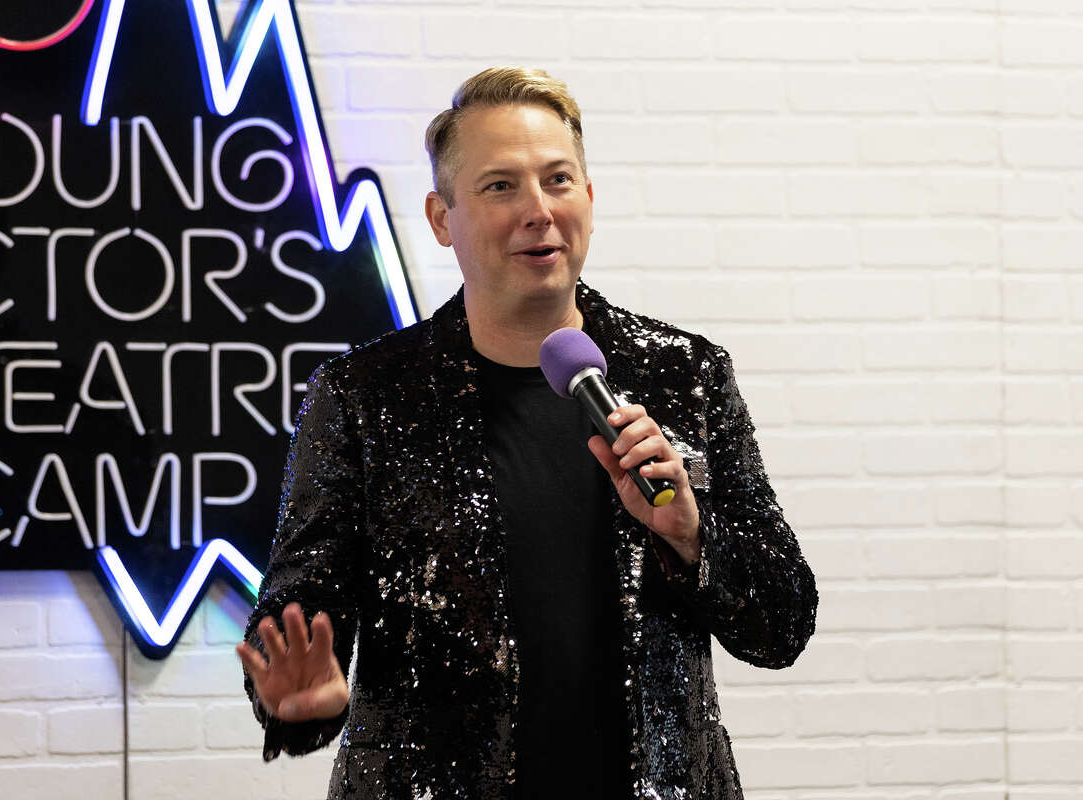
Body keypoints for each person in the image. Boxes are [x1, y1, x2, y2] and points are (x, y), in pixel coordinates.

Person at [237, 66, 818, 799]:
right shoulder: (365, 397)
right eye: (500, 186)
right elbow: (299, 612)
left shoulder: (684, 375)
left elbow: (784, 621)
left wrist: (690, 535)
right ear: (442, 217)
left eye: (558, 180)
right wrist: (298, 702)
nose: (538, 210)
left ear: (590, 200)